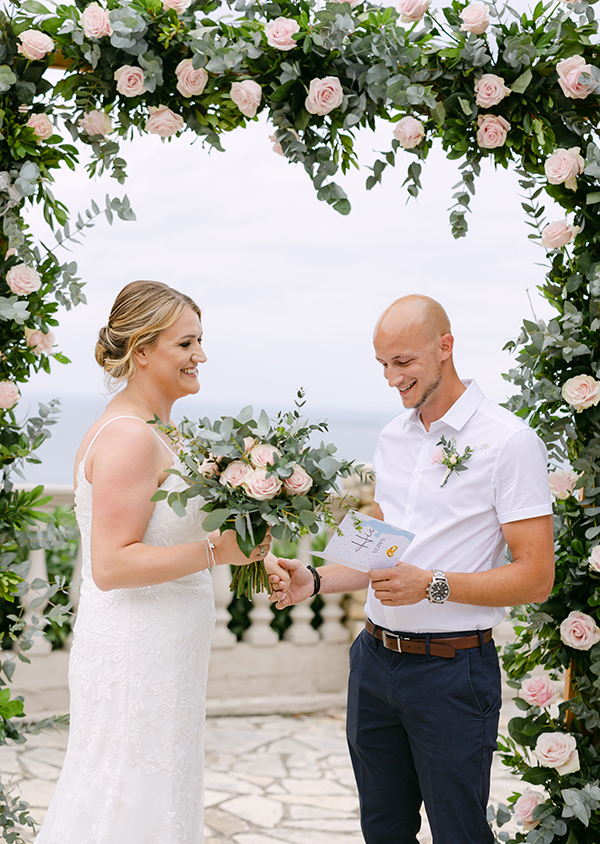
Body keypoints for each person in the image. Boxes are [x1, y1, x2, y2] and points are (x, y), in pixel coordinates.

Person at [268, 294, 554, 844]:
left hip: (452, 674)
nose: (392, 378)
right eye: (383, 364)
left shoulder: (510, 442)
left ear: (445, 347)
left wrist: (433, 585)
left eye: (403, 362)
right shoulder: (392, 437)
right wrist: (316, 580)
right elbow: (381, 551)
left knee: (458, 833)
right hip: (373, 662)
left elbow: (537, 577)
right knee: (382, 830)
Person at [35, 280, 276, 844]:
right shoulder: (129, 438)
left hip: (166, 652)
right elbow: (111, 565)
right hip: (135, 651)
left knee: (158, 793)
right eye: (186, 344)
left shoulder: (160, 432)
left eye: (200, 341)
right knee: (126, 795)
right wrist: (217, 552)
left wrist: (254, 553)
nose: (200, 356)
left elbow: (170, 532)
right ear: (142, 351)